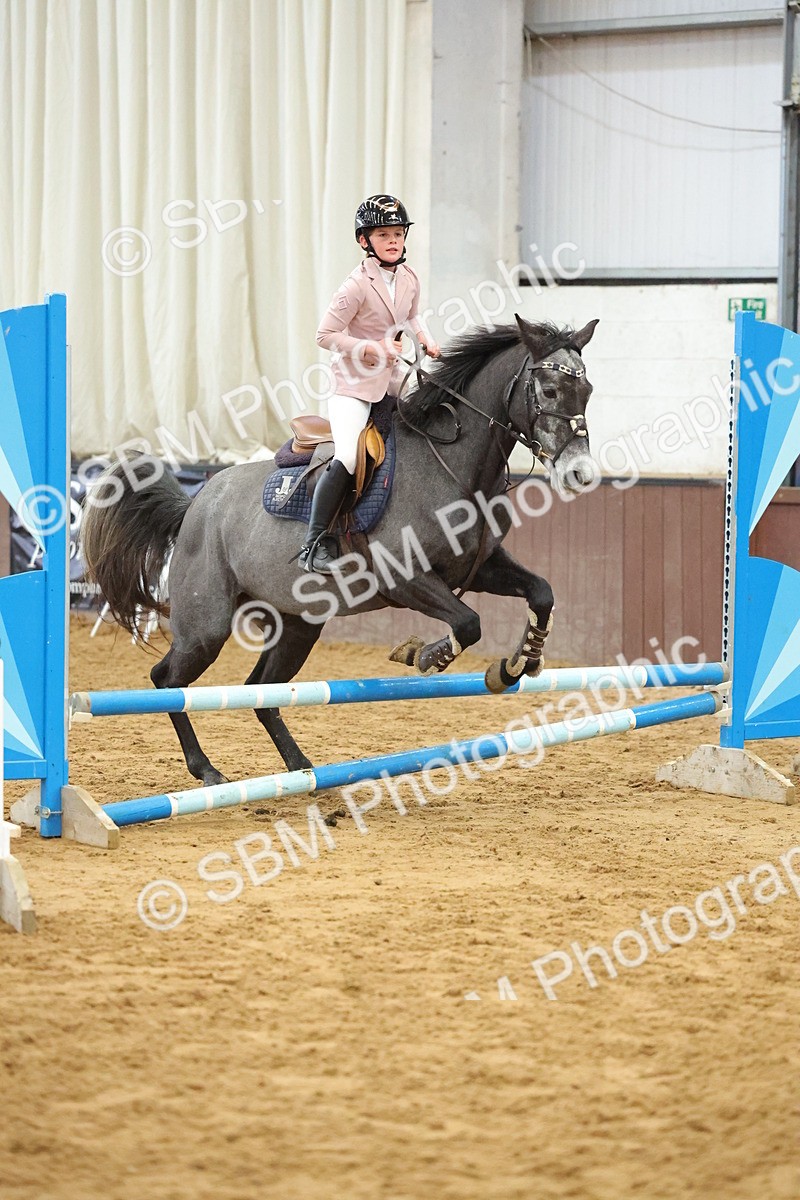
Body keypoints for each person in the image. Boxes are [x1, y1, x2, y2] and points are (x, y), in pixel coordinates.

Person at [300, 194, 440, 573]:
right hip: (353, 386)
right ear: (365, 241)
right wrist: (371, 347)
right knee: (347, 456)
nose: (393, 241)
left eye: (398, 233)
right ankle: (314, 542)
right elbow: (324, 335)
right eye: (384, 234)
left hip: (394, 381)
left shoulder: (409, 277)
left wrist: (425, 337)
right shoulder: (354, 287)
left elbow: (413, 315)